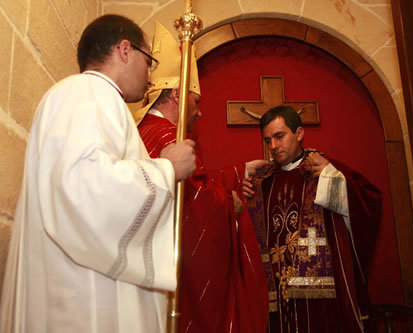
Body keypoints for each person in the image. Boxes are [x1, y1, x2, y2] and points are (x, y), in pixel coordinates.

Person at [0, 14, 197, 333]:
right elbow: (83, 187)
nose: (150, 74)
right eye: (149, 60)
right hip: (84, 299)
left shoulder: (91, 97)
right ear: (125, 50)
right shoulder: (88, 93)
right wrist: (166, 170)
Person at [132, 22, 270, 333]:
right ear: (179, 95)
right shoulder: (167, 135)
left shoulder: (147, 133)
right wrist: (230, 205)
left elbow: (187, 184)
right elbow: (193, 202)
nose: (200, 112)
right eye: (197, 102)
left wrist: (238, 172)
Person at [243, 105, 383, 332]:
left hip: (319, 292)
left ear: (299, 133)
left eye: (279, 136)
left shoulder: (322, 169)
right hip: (275, 291)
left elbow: (369, 201)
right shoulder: (263, 181)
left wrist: (335, 178)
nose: (273, 146)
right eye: (268, 140)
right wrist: (242, 193)